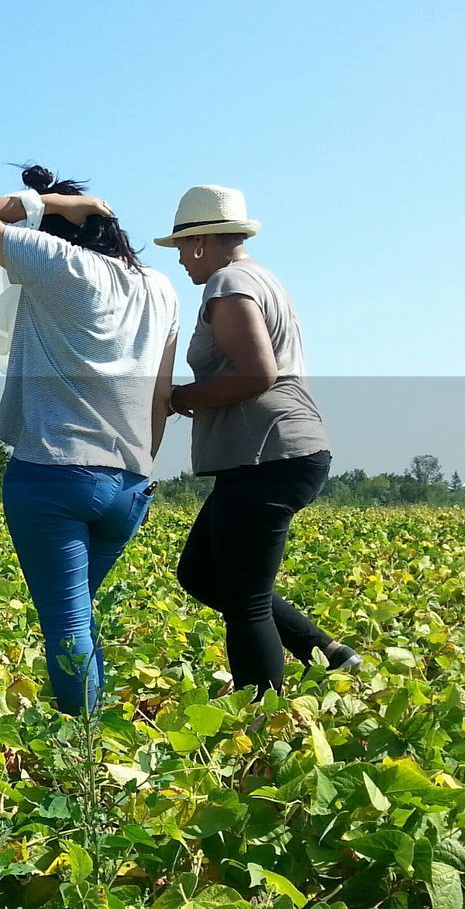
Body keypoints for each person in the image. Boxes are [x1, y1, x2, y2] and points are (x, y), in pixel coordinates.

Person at [0, 165, 179, 716]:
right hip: (130, 481)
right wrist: (144, 469)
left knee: (67, 621)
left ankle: (80, 751)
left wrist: (54, 204)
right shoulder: (161, 289)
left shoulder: (64, 264)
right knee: (77, 614)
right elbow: (160, 395)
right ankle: (96, 733)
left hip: (54, 472)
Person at [155, 185, 361, 698]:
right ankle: (329, 652)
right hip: (272, 453)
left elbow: (256, 374)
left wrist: (178, 397)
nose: (180, 259)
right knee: (201, 573)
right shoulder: (259, 277)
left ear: (201, 241)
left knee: (244, 600)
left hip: (270, 453)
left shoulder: (229, 282)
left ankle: (261, 718)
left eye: (181, 248)